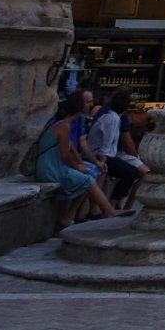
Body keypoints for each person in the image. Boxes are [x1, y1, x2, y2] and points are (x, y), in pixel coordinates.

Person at [33, 94, 113, 230]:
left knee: (88, 175)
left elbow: (71, 149)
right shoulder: (64, 126)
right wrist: (77, 166)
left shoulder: (61, 123)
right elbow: (65, 154)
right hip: (50, 167)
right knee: (87, 180)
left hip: (51, 164)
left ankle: (69, 216)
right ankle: (109, 211)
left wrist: (80, 164)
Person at [87, 91, 149, 212]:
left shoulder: (111, 116)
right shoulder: (113, 119)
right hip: (102, 155)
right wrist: (102, 163)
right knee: (130, 173)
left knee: (131, 172)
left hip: (108, 154)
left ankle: (115, 206)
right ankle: (112, 206)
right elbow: (106, 145)